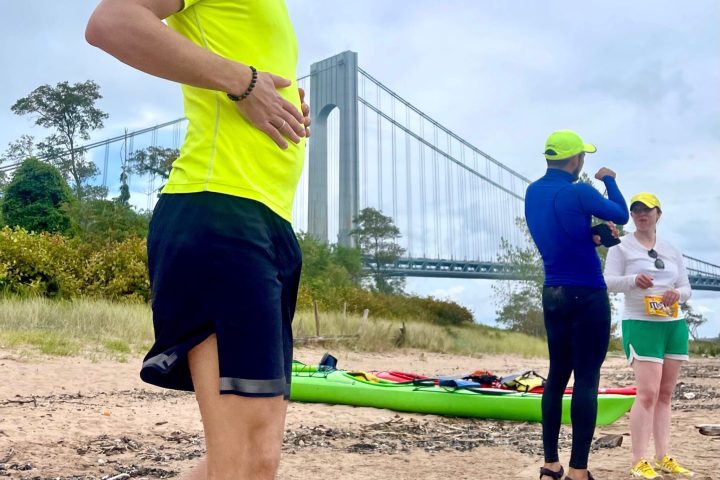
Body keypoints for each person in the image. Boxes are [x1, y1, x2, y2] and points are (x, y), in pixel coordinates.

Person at [86, 1, 310, 478]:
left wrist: (277, 102)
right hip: (220, 216)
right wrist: (244, 82)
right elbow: (112, 21)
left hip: (270, 225)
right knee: (245, 461)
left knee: (254, 459)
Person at [525, 130, 629, 480]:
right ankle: (578, 472)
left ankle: (550, 465)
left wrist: (593, 235)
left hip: (553, 290)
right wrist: (610, 180)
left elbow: (560, 233)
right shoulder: (580, 190)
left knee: (557, 376)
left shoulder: (532, 192)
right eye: (582, 157)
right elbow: (621, 213)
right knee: (586, 379)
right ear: (576, 160)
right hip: (586, 292)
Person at [604, 192, 694, 479]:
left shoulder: (671, 250)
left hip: (673, 323)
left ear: (659, 215)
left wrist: (676, 294)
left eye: (648, 210)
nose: (641, 214)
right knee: (647, 393)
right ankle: (638, 460)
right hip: (640, 323)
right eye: (636, 210)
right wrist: (632, 280)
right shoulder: (620, 248)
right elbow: (606, 282)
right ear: (632, 216)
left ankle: (662, 455)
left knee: (665, 394)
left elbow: (686, 288)